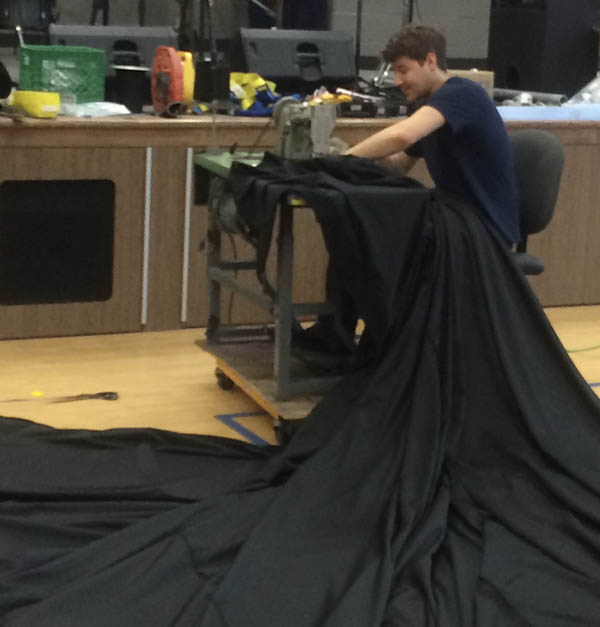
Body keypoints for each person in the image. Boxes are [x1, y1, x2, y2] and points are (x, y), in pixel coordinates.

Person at [296, 24, 520, 362]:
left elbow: (401, 137)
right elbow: (400, 163)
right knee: (357, 225)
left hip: (483, 229)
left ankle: (378, 343)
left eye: (404, 70)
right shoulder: (431, 106)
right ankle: (339, 334)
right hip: (455, 218)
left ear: (430, 61)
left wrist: (342, 160)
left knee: (369, 232)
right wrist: (348, 165)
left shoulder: (462, 95)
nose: (398, 81)